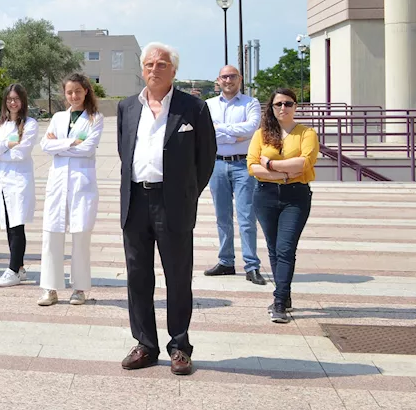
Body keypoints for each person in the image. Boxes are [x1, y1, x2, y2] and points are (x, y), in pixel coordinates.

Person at [117, 42, 215, 376]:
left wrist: (187, 194)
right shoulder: (128, 107)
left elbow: (206, 159)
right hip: (135, 202)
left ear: (173, 70)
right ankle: (145, 343)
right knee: (138, 277)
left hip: (173, 204)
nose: (154, 70)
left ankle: (179, 346)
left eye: (161, 64)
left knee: (177, 276)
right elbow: (124, 152)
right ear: (141, 69)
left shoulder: (194, 108)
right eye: (148, 64)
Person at [247, 88, 319, 324]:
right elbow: (252, 166)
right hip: (265, 195)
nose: (283, 108)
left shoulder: (306, 133)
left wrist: (269, 164)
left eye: (288, 103)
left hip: (295, 196)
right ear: (272, 107)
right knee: (274, 248)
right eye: (278, 104)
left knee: (286, 248)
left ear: (295, 106)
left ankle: (279, 302)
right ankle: (284, 294)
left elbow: (303, 164)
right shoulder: (262, 134)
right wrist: (283, 174)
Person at [37, 74, 105, 305]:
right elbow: (45, 145)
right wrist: (70, 143)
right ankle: (50, 288)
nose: (73, 96)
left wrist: (60, 145)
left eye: (77, 91)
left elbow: (87, 149)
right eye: (69, 92)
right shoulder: (57, 118)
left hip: (81, 183)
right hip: (58, 183)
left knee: (80, 234)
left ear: (86, 91)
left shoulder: (95, 118)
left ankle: (79, 288)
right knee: (52, 234)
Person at [203, 66, 265, 284]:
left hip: (243, 165)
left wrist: (222, 130)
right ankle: (226, 261)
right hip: (217, 165)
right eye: (224, 77)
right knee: (222, 216)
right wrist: (234, 135)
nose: (228, 80)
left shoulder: (251, 103)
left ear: (240, 79)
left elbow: (251, 128)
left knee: (247, 216)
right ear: (218, 80)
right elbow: (207, 132)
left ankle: (252, 265)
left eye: (232, 76)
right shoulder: (208, 105)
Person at [0, 84, 39, 288]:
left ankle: (13, 269)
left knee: (17, 225)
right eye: (9, 99)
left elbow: (20, 154)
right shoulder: (0, 124)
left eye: (16, 99)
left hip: (18, 181)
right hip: (1, 181)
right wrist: (6, 145)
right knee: (8, 224)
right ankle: (20, 267)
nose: (12, 102)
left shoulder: (30, 124)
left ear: (23, 101)